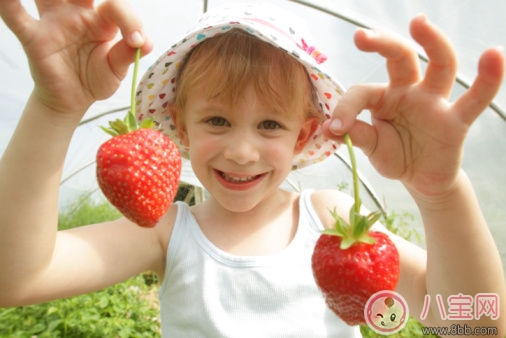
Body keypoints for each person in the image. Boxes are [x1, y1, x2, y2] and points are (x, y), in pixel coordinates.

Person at [0, 0, 504, 337]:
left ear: (304, 135)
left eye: (269, 125)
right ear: (181, 125)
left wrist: (442, 194)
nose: (242, 151)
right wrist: (54, 109)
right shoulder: (167, 233)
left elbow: (476, 322)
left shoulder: (329, 219)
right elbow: (18, 276)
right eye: (217, 119)